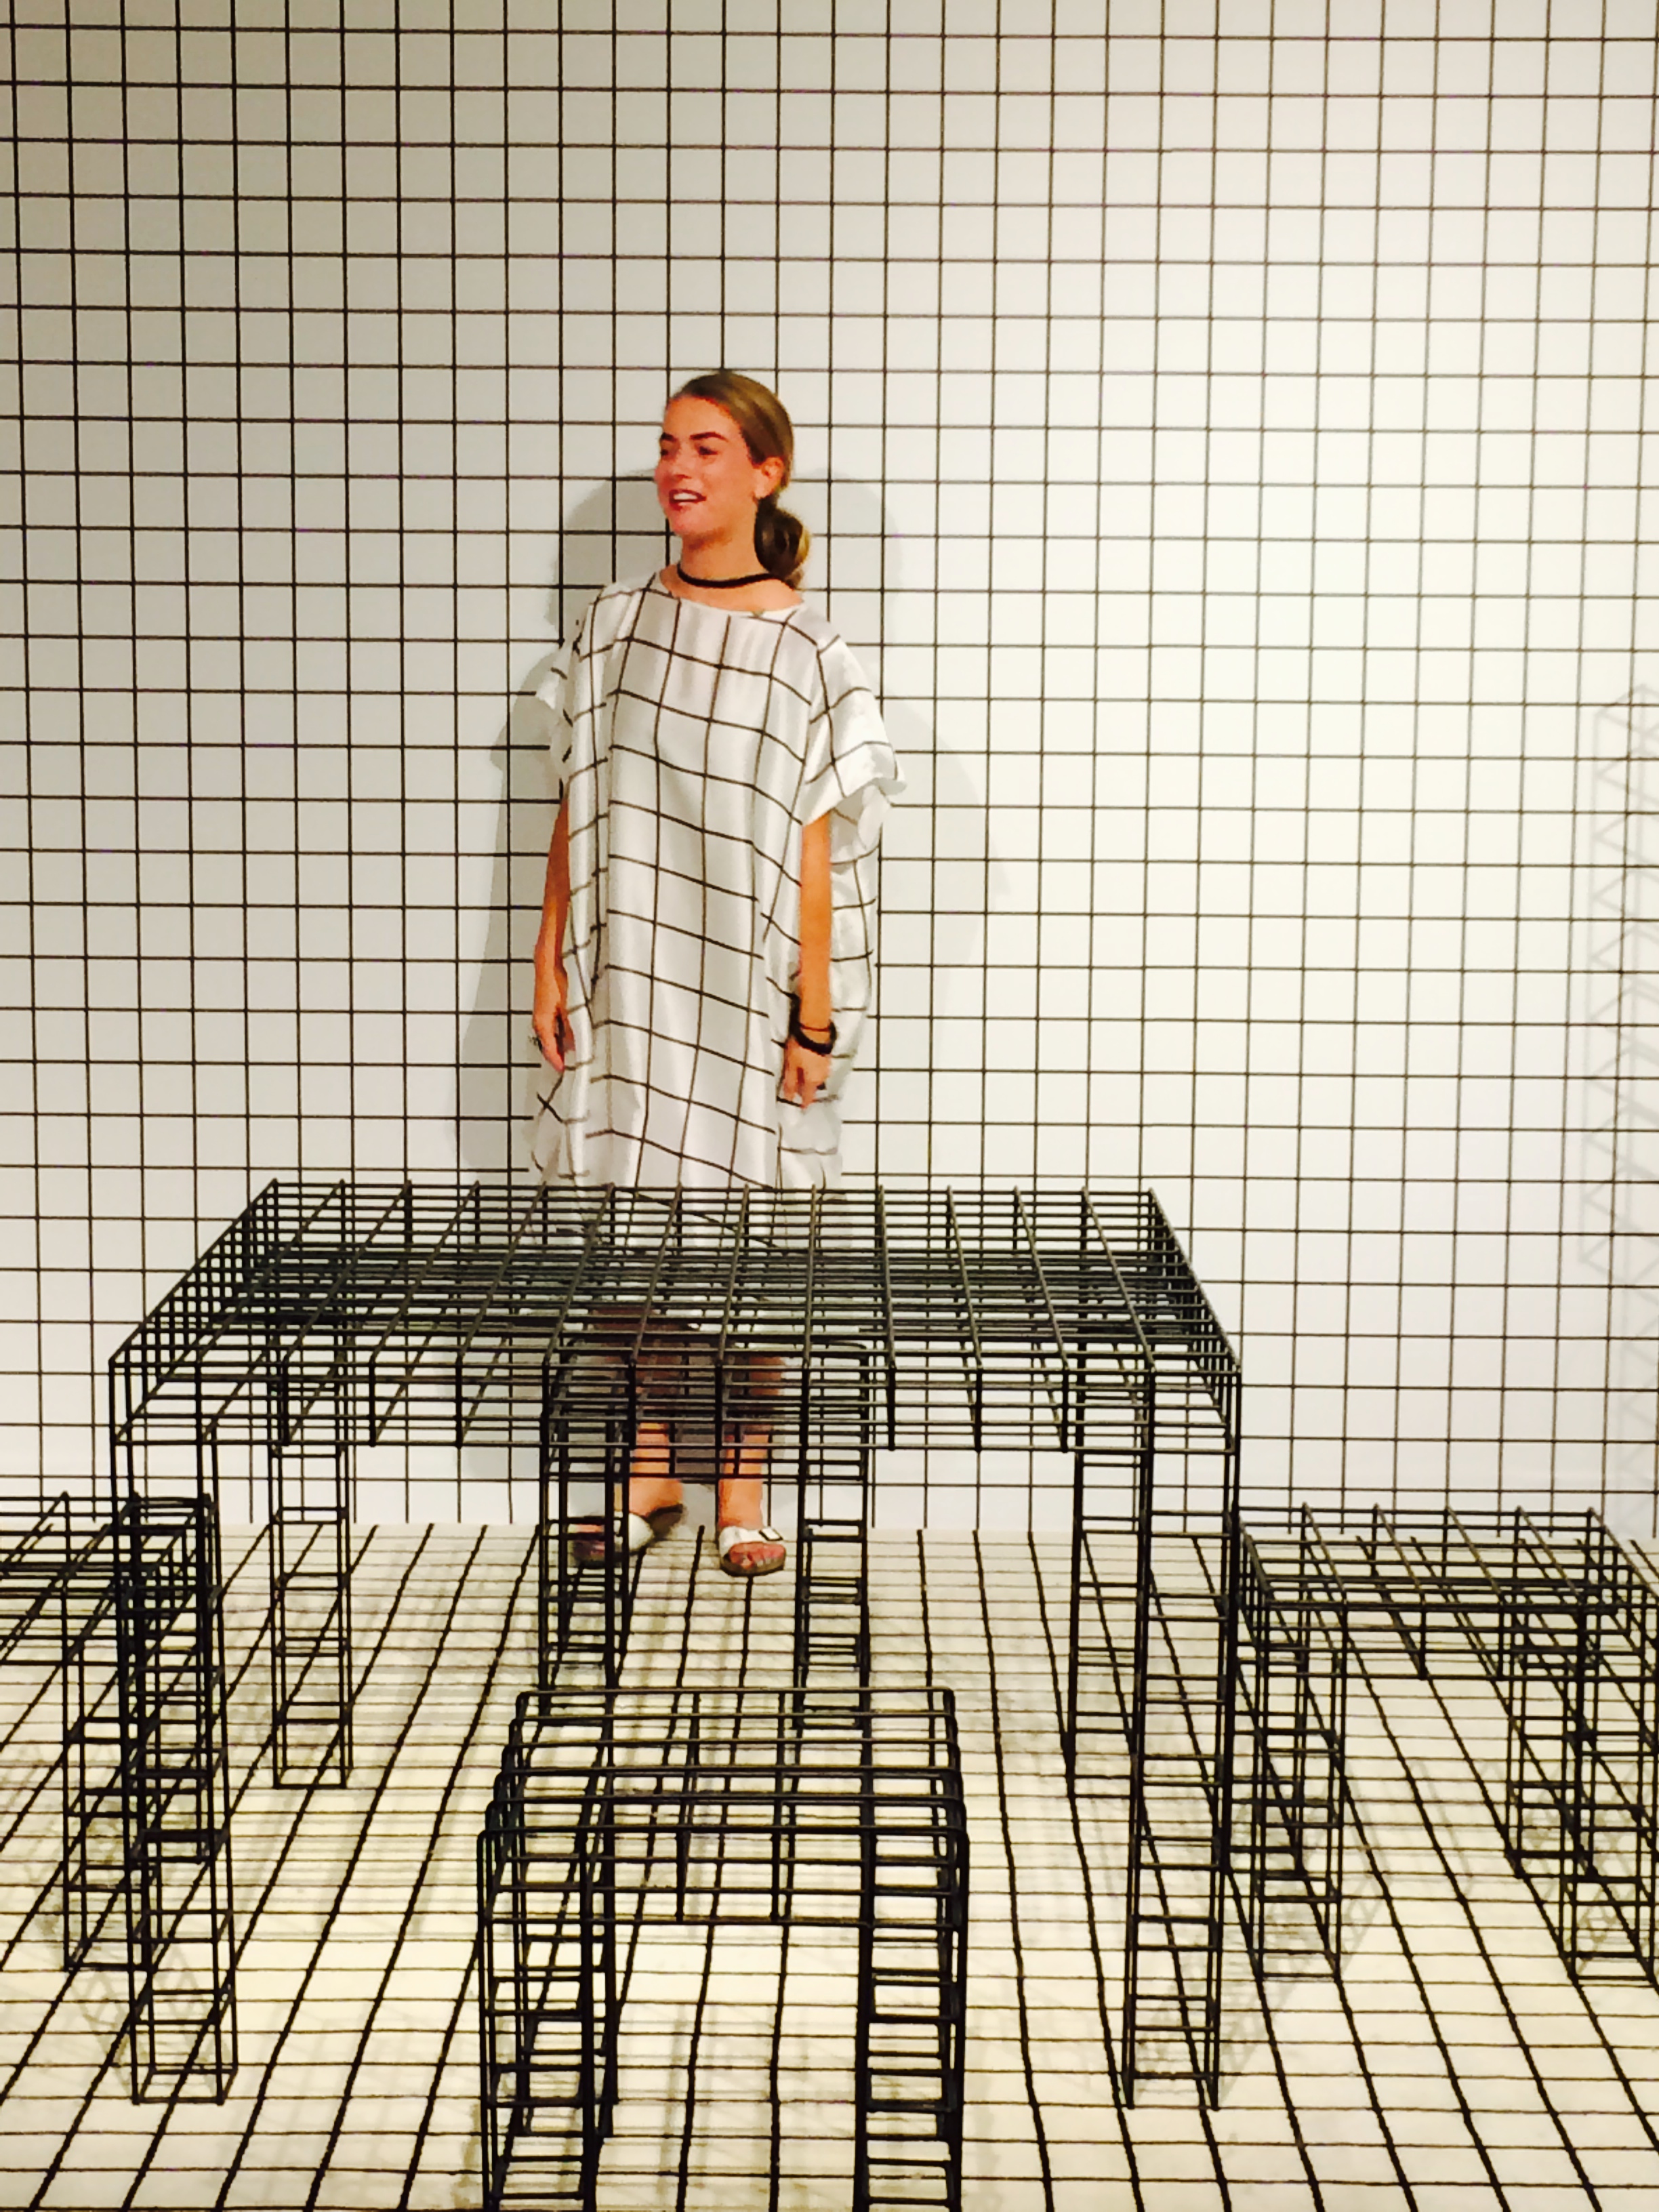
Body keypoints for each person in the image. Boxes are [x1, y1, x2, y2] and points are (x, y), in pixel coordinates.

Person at [529, 371, 901, 1576]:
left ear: (765, 473)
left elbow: (817, 847)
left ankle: (742, 1486)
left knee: (757, 1239)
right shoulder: (613, 623)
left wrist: (814, 1013)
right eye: (665, 446)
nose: (675, 469)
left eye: (704, 447)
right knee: (627, 1222)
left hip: (747, 987)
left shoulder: (809, 649)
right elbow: (577, 799)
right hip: (629, 972)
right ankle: (647, 1470)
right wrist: (548, 958)